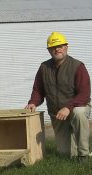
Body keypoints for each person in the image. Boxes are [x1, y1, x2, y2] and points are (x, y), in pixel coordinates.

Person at [25, 32, 91, 162]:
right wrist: (33, 102)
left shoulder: (78, 66)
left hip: (75, 108)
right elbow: (38, 90)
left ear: (66, 47)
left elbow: (84, 94)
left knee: (79, 112)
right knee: (65, 153)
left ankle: (83, 154)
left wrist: (68, 107)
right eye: (54, 47)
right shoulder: (44, 67)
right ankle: (74, 150)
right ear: (49, 50)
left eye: (60, 46)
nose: (57, 49)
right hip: (57, 114)